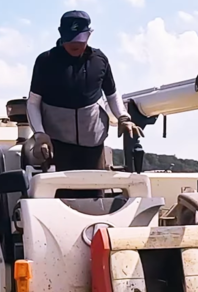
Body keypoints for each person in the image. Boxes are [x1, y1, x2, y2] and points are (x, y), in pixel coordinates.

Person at [26, 10, 143, 175]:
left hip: (93, 144)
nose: (75, 45)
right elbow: (33, 102)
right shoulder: (46, 61)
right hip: (57, 144)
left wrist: (123, 117)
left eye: (80, 39)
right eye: (70, 39)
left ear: (89, 35)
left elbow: (112, 94)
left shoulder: (99, 59)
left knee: (94, 195)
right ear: (61, 34)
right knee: (62, 195)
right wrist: (40, 134)